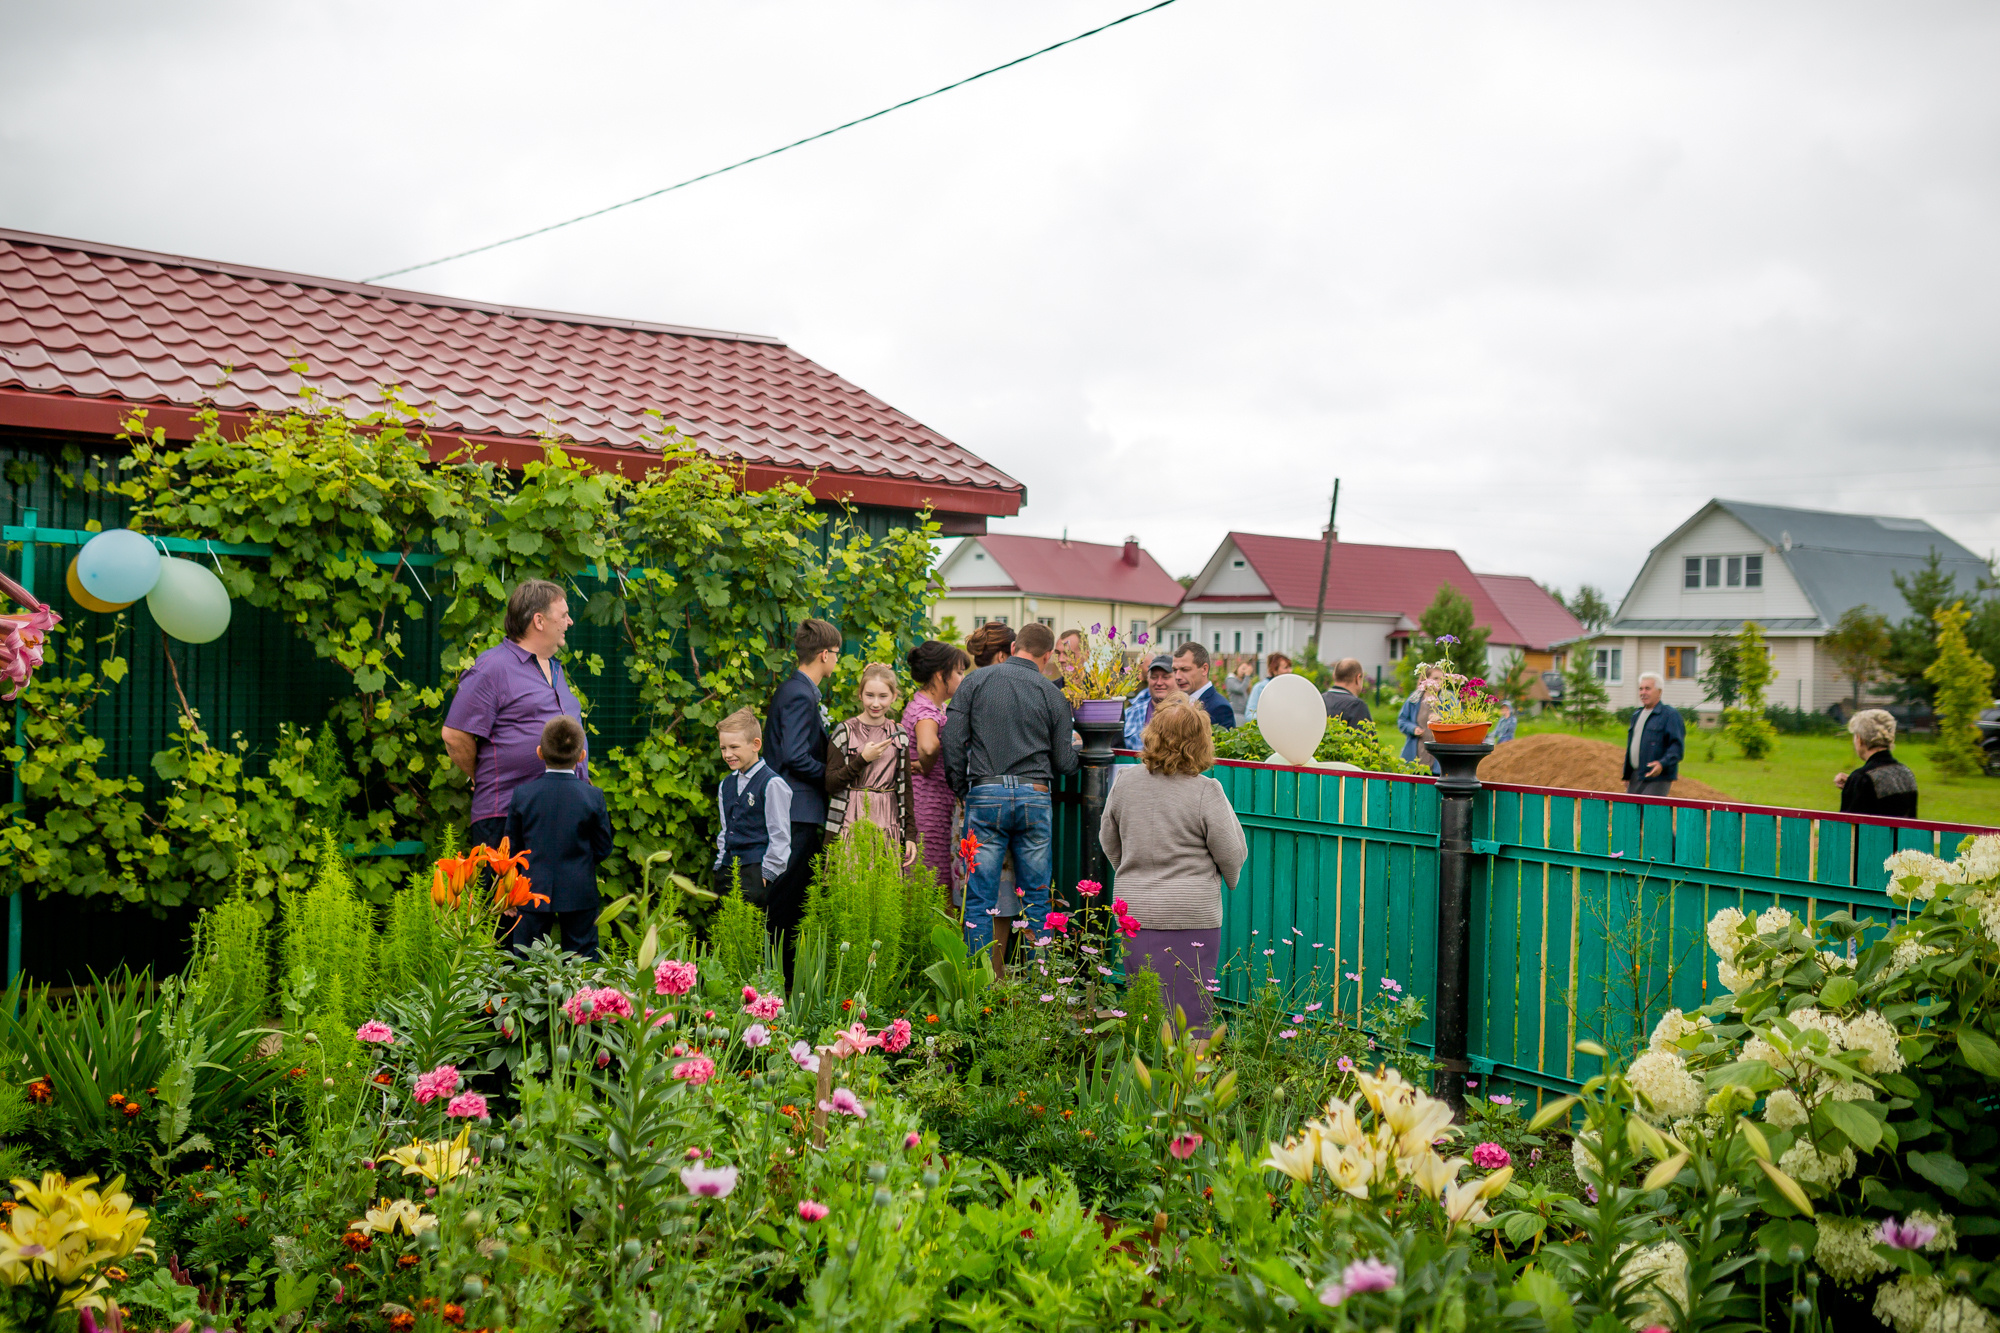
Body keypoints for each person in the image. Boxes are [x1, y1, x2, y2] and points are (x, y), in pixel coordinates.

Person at [1099, 694, 1247, 1035]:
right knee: (1191, 1015)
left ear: (1152, 734)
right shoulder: (1206, 790)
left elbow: (1108, 840)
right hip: (1192, 914)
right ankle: (1189, 1067)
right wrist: (1228, 877)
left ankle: (1143, 1063)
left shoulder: (1125, 782)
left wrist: (1132, 871)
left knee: (1144, 1008)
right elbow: (1231, 852)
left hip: (1135, 913)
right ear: (1200, 741)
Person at [943, 620, 1080, 973]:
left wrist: (962, 788)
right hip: (1035, 795)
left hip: (985, 793)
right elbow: (1065, 764)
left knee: (979, 899)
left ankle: (978, 986)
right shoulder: (1053, 694)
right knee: (1036, 900)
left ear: (1015, 646)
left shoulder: (976, 681)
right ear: (1047, 656)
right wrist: (1078, 748)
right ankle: (1040, 986)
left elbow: (952, 740)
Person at [442, 579, 588, 850]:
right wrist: (483, 777)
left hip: (563, 815)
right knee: (507, 881)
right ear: (539, 621)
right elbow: (454, 735)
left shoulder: (555, 669)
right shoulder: (493, 667)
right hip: (509, 818)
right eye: (564, 615)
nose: (569, 622)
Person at [502, 716, 613, 959]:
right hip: (579, 889)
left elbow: (511, 849)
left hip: (530, 889)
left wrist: (508, 889)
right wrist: (580, 862)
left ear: (540, 752)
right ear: (581, 756)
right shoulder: (593, 796)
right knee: (582, 963)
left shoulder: (523, 794)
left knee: (527, 962)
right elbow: (604, 847)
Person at [762, 619, 841, 942]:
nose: (836, 659)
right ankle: (777, 967)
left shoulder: (796, 690)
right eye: (836, 653)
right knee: (786, 900)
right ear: (824, 654)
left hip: (795, 809)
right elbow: (794, 755)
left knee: (790, 897)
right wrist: (832, 777)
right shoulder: (799, 694)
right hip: (796, 810)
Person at [826, 663, 918, 865]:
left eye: (883, 696)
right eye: (870, 695)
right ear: (860, 695)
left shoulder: (899, 735)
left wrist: (910, 834)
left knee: (885, 878)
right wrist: (862, 760)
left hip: (888, 819)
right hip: (851, 818)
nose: (876, 703)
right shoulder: (845, 732)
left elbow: (906, 788)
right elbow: (830, 783)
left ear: (894, 696)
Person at [903, 641, 969, 893]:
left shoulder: (934, 706)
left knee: (934, 877)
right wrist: (925, 766)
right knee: (926, 878)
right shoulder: (925, 709)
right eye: (959, 672)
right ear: (941, 675)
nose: (963, 678)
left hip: (935, 804)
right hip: (926, 806)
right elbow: (929, 747)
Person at [711, 708, 792, 900]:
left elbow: (780, 835)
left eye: (734, 747)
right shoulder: (726, 784)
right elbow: (726, 829)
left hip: (755, 871)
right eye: (723, 748)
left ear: (756, 744)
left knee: (752, 919)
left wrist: (767, 874)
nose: (727, 754)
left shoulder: (772, 784)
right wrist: (719, 865)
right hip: (727, 869)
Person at [1835, 708, 1919, 817]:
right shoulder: (1906, 773)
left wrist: (1855, 785)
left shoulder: (1862, 778)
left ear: (1860, 739)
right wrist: (1852, 785)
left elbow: (1847, 825)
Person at [1622, 671, 1685, 796]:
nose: (1643, 693)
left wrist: (1662, 763)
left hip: (1657, 778)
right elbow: (1631, 747)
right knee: (1630, 809)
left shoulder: (1670, 715)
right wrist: (1627, 774)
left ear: (1659, 692)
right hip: (1636, 776)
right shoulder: (1637, 715)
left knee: (1651, 808)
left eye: (1647, 689)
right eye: (1641, 689)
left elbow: (1676, 747)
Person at [1173, 642, 1236, 729]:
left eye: (1185, 670)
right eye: (1175, 670)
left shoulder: (1219, 708)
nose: (1177, 677)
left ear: (1204, 669)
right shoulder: (1177, 703)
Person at [1123, 654, 1177, 750]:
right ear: (1148, 679)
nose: (1159, 683)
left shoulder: (1189, 716)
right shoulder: (1131, 714)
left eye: (1165, 677)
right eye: (1154, 677)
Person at [1410, 664, 1447, 774]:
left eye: (1442, 679)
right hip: (1419, 750)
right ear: (1425, 680)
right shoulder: (1414, 699)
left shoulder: (1447, 699)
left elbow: (1459, 720)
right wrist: (1413, 729)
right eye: (1435, 678)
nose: (1439, 682)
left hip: (1441, 754)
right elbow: (1402, 720)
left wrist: (1443, 718)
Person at [1321, 658, 1374, 731]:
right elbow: (1364, 737)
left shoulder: (1320, 700)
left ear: (1333, 676)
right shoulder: (1356, 706)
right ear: (1358, 678)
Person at [1245, 653, 1292, 720]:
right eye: (1285, 668)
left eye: (1290, 667)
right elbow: (1249, 715)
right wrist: (1269, 719)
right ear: (1274, 670)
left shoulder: (1292, 688)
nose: (1290, 670)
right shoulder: (1260, 688)